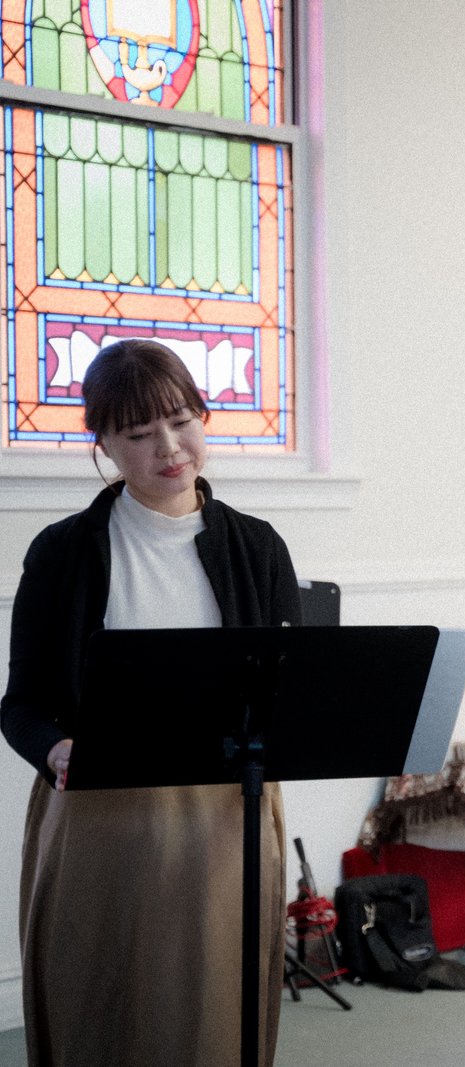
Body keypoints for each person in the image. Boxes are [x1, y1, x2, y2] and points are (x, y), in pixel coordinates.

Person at [1, 339, 302, 1067]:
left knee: (213, 1016)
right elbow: (22, 704)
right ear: (103, 443)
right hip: (99, 814)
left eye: (181, 420)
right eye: (139, 433)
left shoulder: (259, 547)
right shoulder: (62, 552)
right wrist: (54, 748)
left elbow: (295, 692)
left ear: (203, 416)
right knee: (100, 1011)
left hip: (225, 816)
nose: (169, 448)